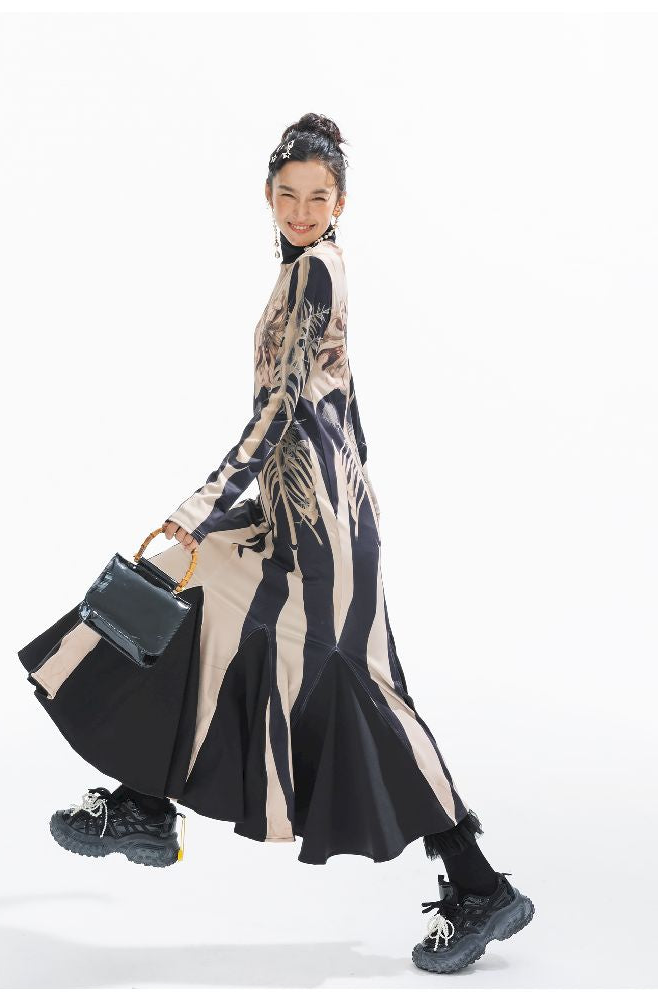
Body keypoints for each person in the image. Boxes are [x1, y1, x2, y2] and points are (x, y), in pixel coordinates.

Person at [46, 113, 534, 973]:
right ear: (267, 196)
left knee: (363, 693)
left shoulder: (316, 271)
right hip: (304, 508)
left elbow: (281, 408)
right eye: (288, 195)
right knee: (190, 593)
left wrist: (205, 502)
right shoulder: (305, 270)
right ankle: (145, 804)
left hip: (320, 526)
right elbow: (341, 398)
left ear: (341, 202)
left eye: (318, 196)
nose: (302, 210)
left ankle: (480, 885)